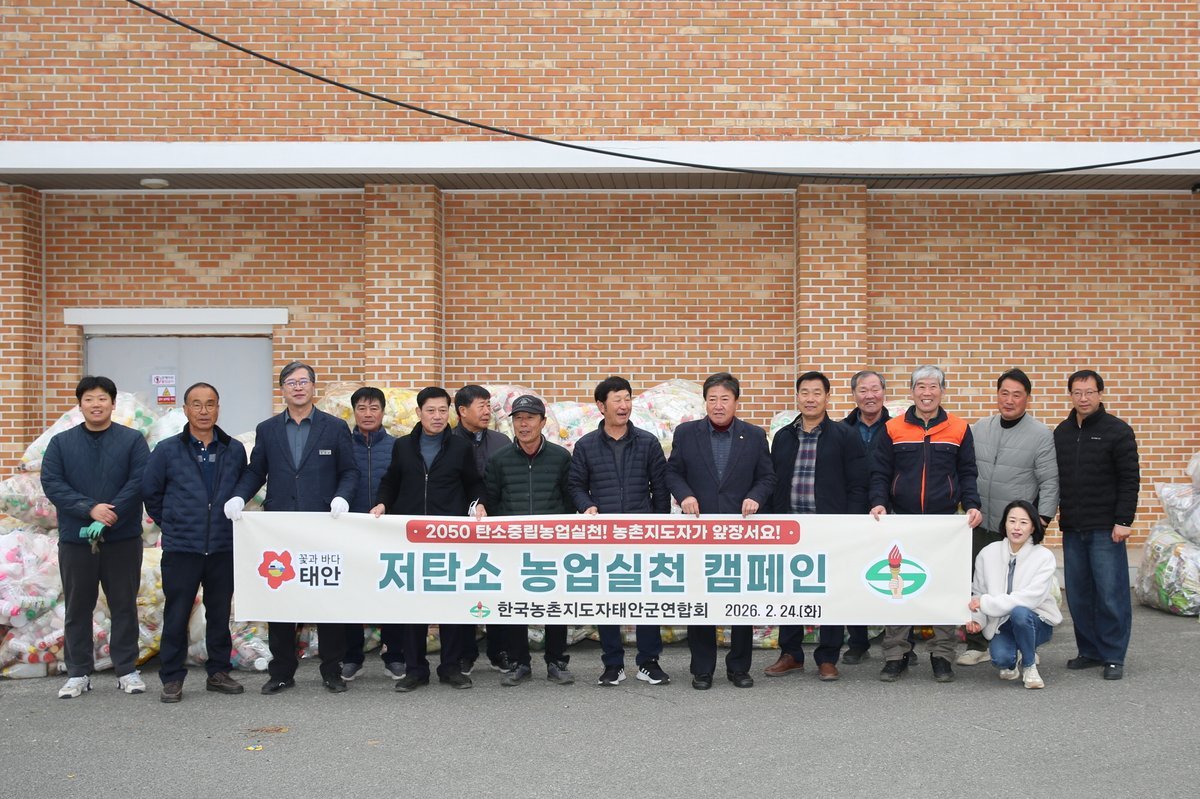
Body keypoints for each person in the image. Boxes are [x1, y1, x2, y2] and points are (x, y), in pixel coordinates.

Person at [224, 361, 359, 694]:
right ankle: (282, 671)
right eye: (291, 382)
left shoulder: (335, 427)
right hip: (280, 529)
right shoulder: (268, 429)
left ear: (313, 386)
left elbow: (349, 471)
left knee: (326, 599)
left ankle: (332, 670)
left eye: (303, 381)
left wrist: (341, 497)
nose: (298, 387)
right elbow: (256, 471)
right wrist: (239, 496)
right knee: (281, 598)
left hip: (323, 527)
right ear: (282, 389)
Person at [870, 365, 981, 684]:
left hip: (944, 524)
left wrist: (972, 505)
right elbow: (880, 472)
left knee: (943, 588)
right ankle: (896, 655)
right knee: (898, 587)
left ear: (942, 391)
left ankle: (942, 655)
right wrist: (878, 501)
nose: (927, 392)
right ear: (912, 391)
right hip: (901, 521)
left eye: (933, 386)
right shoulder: (892, 428)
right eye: (921, 386)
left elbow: (968, 473)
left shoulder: (959, 428)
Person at [42, 376, 150, 699]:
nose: (96, 404)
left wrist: (110, 513)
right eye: (89, 399)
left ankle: (127, 670)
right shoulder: (61, 444)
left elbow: (140, 480)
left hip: (122, 538)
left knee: (124, 605)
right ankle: (78, 673)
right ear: (80, 405)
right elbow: (52, 483)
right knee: (78, 607)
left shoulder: (132, 441)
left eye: (102, 398)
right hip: (76, 540)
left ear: (113, 404)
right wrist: (90, 509)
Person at [370, 386, 484, 692]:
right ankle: (415, 669)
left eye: (442, 410)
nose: (437, 416)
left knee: (451, 604)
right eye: (430, 410)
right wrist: (382, 503)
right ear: (419, 412)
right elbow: (391, 481)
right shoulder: (403, 446)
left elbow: (474, 484)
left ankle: (451, 667)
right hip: (411, 538)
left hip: (448, 537)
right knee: (413, 605)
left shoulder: (460, 447)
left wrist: (478, 504)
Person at [666, 372, 776, 690]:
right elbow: (672, 472)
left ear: (736, 402)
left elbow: (767, 477)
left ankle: (739, 668)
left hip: (741, 532)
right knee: (701, 600)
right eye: (712, 399)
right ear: (705, 402)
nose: (718, 405)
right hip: (699, 531)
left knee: (740, 601)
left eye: (725, 399)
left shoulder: (754, 436)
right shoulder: (687, 433)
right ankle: (702, 669)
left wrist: (755, 497)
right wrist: (685, 495)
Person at [142, 382, 248, 703]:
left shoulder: (233, 449)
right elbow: (151, 492)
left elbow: (241, 490)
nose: (204, 411)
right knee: (176, 614)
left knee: (218, 613)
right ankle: (172, 677)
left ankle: (218, 671)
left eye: (210, 404)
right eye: (197, 404)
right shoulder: (167, 450)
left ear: (218, 408)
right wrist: (173, 523)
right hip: (182, 549)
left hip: (222, 547)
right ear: (186, 409)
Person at [568, 376, 671, 686]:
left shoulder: (647, 442)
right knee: (608, 599)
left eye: (627, 399)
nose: (624, 405)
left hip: (642, 533)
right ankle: (613, 664)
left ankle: (649, 662)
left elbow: (660, 487)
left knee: (647, 599)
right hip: (605, 536)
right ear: (602, 406)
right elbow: (575, 485)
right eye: (617, 400)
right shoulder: (586, 445)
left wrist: (660, 525)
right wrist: (587, 506)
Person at [766, 371, 867, 682]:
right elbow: (772, 482)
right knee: (790, 591)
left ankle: (827, 657)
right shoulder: (783, 437)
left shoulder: (845, 436)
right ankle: (791, 653)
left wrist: (849, 525)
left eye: (817, 393)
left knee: (830, 591)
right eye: (805, 392)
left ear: (827, 397)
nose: (810, 399)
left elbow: (858, 484)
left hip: (830, 529)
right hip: (790, 528)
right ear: (797, 397)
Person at [960, 368, 1058, 666]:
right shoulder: (980, 428)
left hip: (1014, 527)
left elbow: (1050, 481)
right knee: (978, 582)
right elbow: (966, 469)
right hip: (980, 522)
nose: (1009, 400)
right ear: (997, 395)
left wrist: (1041, 519)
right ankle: (977, 643)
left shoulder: (1040, 435)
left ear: (1027, 398)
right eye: (1004, 393)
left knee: (1016, 587)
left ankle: (1020, 641)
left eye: (1017, 395)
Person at [482, 394, 576, 686]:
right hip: (512, 547)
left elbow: (569, 499)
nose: (523, 425)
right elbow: (491, 500)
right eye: (518, 419)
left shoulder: (560, 457)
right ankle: (519, 662)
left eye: (530, 418)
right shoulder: (499, 460)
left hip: (552, 545)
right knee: (515, 604)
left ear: (543, 422)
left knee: (555, 604)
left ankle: (556, 661)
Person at [1053, 369, 1139, 681]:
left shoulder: (1117, 431)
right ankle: (1089, 651)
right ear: (1070, 395)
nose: (1083, 398)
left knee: (1110, 593)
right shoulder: (1062, 433)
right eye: (1077, 392)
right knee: (1079, 594)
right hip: (1073, 527)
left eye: (1089, 392)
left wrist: (1123, 520)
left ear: (1100, 394)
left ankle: (1113, 655)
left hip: (1106, 528)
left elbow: (1129, 479)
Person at [967, 500, 1062, 689]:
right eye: (1012, 521)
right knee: (1001, 660)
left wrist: (985, 603)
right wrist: (977, 619)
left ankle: (1029, 665)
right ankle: (1014, 656)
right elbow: (978, 592)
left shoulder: (1044, 557)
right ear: (1004, 524)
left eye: (1023, 522)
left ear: (1033, 527)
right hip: (1001, 623)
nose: (1016, 527)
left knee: (1020, 612)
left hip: (1036, 620)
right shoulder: (987, 553)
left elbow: (1029, 599)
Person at [341, 386, 401, 683]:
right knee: (351, 593)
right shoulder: (342, 445)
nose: (368, 414)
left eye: (374, 408)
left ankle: (395, 655)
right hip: (350, 531)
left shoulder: (397, 447)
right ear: (354, 412)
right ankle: (352, 657)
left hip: (388, 532)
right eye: (362, 408)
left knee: (391, 591)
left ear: (383, 412)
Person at [453, 384, 514, 675]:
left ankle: (499, 650)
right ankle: (464, 652)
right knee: (462, 590)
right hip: (459, 530)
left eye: (489, 405)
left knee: (496, 588)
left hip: (495, 529)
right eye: (481, 406)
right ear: (462, 411)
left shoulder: (502, 441)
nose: (487, 411)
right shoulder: (448, 442)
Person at [839, 369, 892, 665]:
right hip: (853, 512)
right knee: (852, 576)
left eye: (875, 389)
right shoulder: (841, 429)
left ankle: (901, 644)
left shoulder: (898, 428)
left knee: (894, 574)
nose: (869, 396)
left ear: (883, 392)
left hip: (889, 512)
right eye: (863, 390)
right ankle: (857, 641)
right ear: (854, 395)